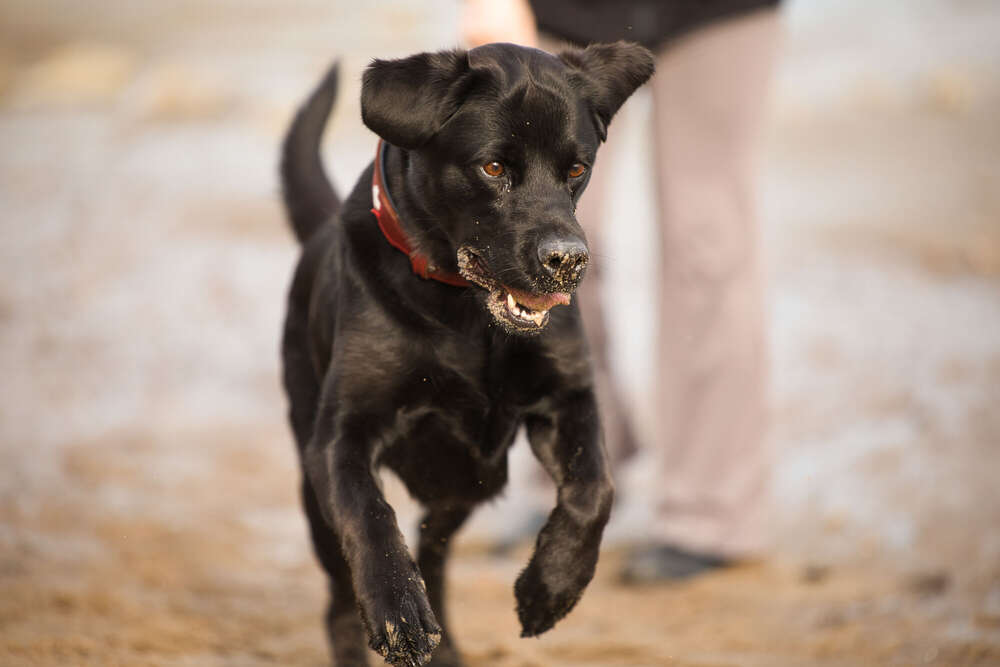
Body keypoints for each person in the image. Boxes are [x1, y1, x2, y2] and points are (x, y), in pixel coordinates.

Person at [463, 0, 782, 582]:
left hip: (724, 14)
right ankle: (569, 477)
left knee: (711, 250)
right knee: (541, 240)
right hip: (564, 12)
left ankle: (713, 513)